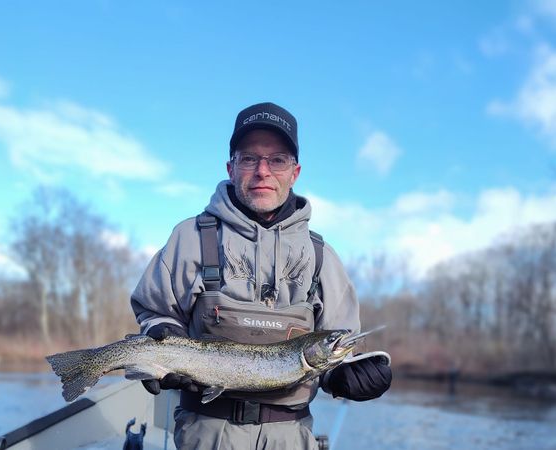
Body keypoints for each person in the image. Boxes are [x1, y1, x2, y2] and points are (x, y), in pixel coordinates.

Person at [131, 102, 392, 450]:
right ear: (231, 167)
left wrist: (349, 376)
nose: (262, 171)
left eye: (277, 160)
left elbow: (339, 350)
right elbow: (154, 312)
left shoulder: (321, 256)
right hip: (206, 434)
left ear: (295, 172)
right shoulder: (189, 237)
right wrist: (163, 334)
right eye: (249, 158)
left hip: (291, 436)